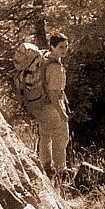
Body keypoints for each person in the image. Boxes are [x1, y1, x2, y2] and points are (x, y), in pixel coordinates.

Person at [35, 33, 70, 180]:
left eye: (66, 46)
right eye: (61, 47)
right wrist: (62, 113)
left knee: (45, 137)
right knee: (61, 138)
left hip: (41, 105)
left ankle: (46, 167)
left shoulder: (44, 60)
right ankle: (61, 170)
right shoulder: (55, 67)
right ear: (52, 47)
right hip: (52, 107)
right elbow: (54, 93)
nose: (64, 50)